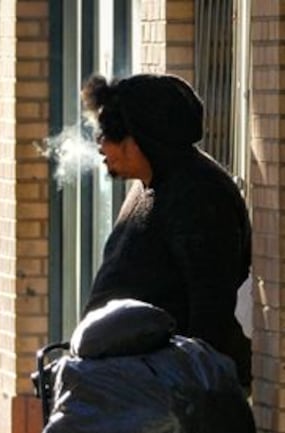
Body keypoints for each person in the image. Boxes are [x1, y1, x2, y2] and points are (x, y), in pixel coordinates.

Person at [80, 73, 252, 388]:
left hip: (165, 401)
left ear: (141, 138)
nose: (100, 144)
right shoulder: (148, 187)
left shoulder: (198, 195)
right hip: (134, 391)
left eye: (110, 133)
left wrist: (191, 394)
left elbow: (210, 311)